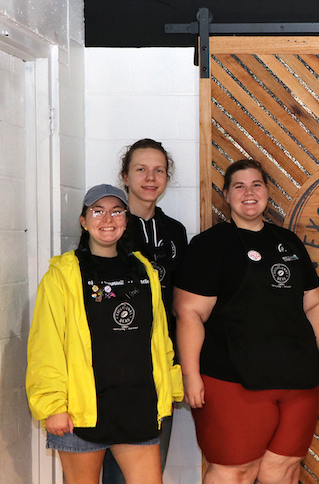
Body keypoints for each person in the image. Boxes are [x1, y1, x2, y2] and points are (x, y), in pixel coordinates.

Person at [174, 159, 319, 484]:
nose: (249, 193)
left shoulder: (288, 242)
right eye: (239, 186)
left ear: (266, 192)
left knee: (283, 471)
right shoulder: (210, 245)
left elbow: (315, 303)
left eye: (256, 185)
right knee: (235, 472)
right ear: (226, 195)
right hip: (233, 382)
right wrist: (191, 376)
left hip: (298, 381)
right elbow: (189, 312)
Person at [26, 184, 183, 484]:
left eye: (116, 211)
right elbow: (45, 345)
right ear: (84, 221)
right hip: (81, 413)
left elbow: (159, 337)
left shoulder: (144, 269)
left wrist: (170, 388)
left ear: (126, 220)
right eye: (97, 211)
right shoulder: (62, 274)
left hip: (138, 406)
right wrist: (54, 406)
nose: (107, 219)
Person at [102, 139, 188, 483]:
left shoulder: (175, 232)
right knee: (116, 472)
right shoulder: (108, 230)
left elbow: (181, 304)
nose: (150, 178)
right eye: (141, 169)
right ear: (126, 175)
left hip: (160, 367)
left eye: (159, 170)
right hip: (115, 369)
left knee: (151, 469)